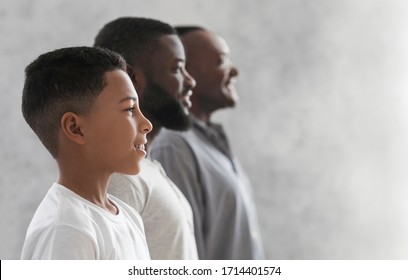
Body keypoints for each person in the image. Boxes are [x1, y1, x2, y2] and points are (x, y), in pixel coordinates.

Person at [21, 46, 152, 259]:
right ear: (75, 128)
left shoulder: (128, 217)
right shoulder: (65, 228)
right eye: (129, 109)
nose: (147, 124)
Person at [150, 26, 265, 259]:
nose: (234, 70)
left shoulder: (210, 143)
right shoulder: (174, 147)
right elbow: (184, 254)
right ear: (186, 73)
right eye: (221, 61)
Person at [93, 17, 198, 259]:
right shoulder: (119, 176)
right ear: (131, 77)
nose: (190, 81)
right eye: (177, 69)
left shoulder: (145, 169)